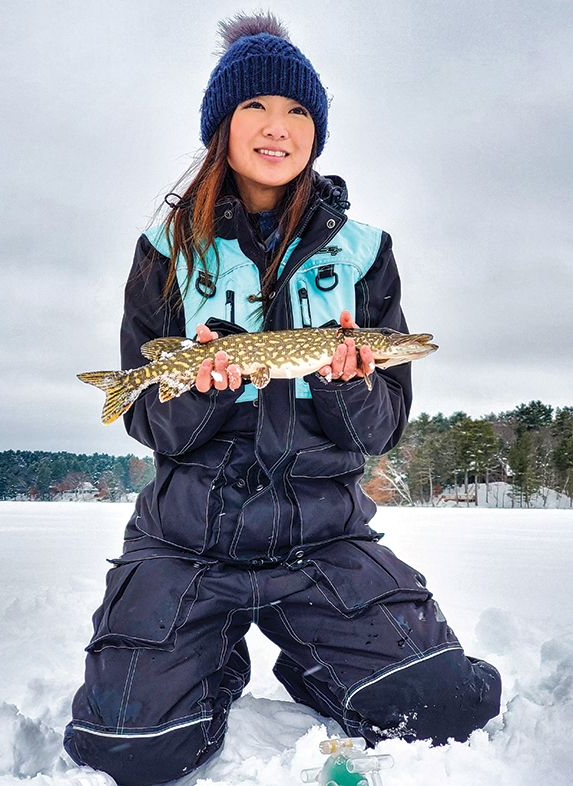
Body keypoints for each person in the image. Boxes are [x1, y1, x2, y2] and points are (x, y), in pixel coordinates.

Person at [64, 13, 501, 785]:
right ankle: (212, 652)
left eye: (297, 111)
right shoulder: (165, 251)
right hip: (187, 538)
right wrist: (193, 397)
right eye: (255, 108)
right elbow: (148, 421)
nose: (277, 127)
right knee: (129, 753)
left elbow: (386, 424)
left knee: (444, 712)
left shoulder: (365, 253)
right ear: (220, 128)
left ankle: (314, 658)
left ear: (316, 130)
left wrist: (350, 379)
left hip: (321, 536)